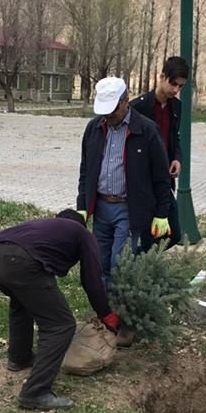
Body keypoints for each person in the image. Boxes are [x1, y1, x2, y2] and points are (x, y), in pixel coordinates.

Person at [0, 210, 120, 411]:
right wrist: (107, 315)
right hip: (19, 261)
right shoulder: (81, 233)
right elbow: (91, 280)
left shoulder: (42, 227)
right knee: (60, 325)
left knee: (22, 303)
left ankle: (19, 358)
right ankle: (35, 393)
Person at [76, 76, 171, 289]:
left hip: (129, 208)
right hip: (100, 207)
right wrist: (82, 204)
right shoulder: (94, 129)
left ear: (125, 100)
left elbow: (161, 176)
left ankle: (119, 309)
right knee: (99, 262)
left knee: (120, 263)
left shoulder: (146, 130)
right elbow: (86, 169)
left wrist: (162, 213)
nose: (109, 115)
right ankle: (104, 309)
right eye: (104, 111)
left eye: (113, 110)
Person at [130, 56, 190, 249]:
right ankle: (133, 269)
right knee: (149, 236)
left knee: (174, 234)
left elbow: (175, 137)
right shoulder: (138, 107)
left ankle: (141, 267)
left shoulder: (176, 107)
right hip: (143, 182)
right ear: (162, 77)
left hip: (164, 181)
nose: (176, 90)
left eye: (181, 87)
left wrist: (177, 159)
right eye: (173, 84)